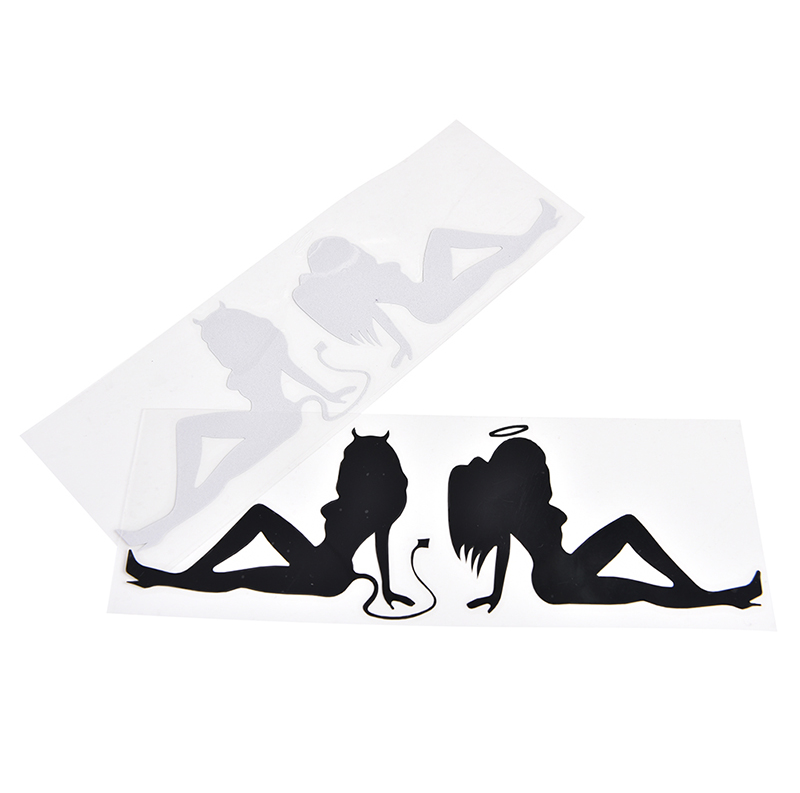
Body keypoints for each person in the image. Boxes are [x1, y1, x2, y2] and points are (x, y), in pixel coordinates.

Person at [118, 304, 364, 548]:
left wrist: (328, 394)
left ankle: (166, 522)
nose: (216, 351)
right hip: (259, 419)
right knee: (188, 429)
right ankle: (178, 507)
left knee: (218, 477)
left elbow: (294, 371)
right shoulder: (248, 355)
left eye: (215, 343)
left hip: (279, 421)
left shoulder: (270, 346)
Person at [449, 436, 762, 611]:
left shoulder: (527, 509)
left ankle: (715, 594)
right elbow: (502, 545)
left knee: (628, 527)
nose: (546, 473)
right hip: (556, 582)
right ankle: (717, 596)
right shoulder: (517, 512)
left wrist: (495, 594)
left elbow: (503, 546)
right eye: (541, 467)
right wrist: (495, 594)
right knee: (646, 589)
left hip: (568, 570)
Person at [126, 429, 416, 610]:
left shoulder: (376, 506)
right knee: (252, 534)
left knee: (241, 568)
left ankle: (177, 576)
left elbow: (382, 545)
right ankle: (166, 577)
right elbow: (381, 545)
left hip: (325, 572)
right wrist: (386, 590)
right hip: (323, 566)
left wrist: (387, 590)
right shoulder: (377, 504)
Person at [292, 199, 559, 367]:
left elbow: (379, 314)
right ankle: (534, 232)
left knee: (447, 240)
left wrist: (402, 344)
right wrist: (402, 343)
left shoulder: (366, 280)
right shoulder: (364, 286)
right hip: (432, 306)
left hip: (430, 293)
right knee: (489, 264)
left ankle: (527, 235)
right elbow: (378, 315)